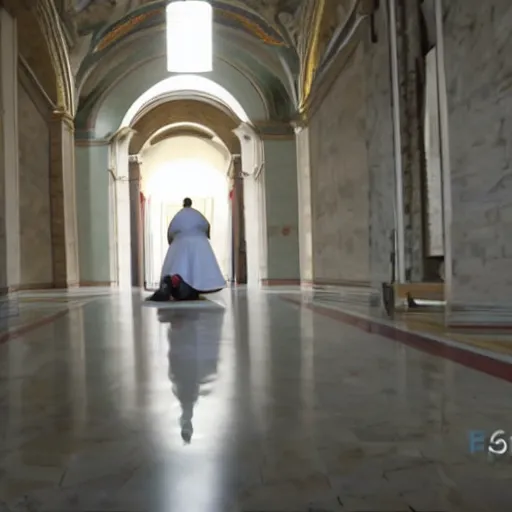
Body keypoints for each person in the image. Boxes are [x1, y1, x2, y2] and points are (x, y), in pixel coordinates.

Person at [147, 197, 226, 301]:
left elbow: (171, 231)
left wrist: (173, 242)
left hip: (181, 242)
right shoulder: (197, 214)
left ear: (184, 204)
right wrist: (204, 236)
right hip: (199, 242)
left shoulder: (178, 216)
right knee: (197, 269)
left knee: (181, 268)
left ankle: (182, 287)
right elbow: (206, 226)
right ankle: (194, 287)